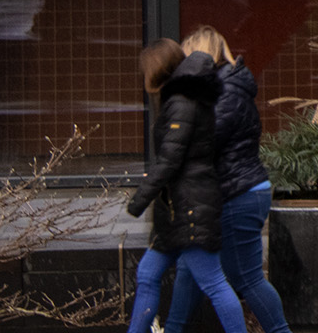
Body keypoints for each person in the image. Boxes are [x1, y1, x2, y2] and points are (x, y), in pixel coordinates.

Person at [161, 27, 291, 333]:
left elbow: (203, 141)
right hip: (236, 191)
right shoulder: (225, 86)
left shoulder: (225, 90)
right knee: (189, 267)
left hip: (236, 194)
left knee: (246, 277)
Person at [123, 39, 250, 333]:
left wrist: (139, 199)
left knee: (214, 283)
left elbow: (170, 159)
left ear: (157, 70)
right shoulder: (182, 97)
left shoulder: (182, 101)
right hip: (180, 209)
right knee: (147, 274)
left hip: (191, 209)